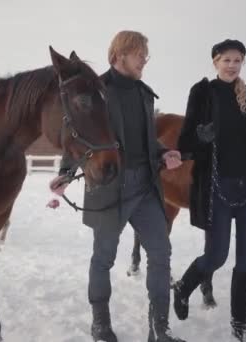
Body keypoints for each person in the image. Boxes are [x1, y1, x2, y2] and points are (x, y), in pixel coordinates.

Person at [49, 30, 185, 342]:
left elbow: (147, 142)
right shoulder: (97, 90)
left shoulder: (144, 93)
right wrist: (66, 175)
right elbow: (78, 132)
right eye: (139, 54)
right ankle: (100, 324)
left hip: (147, 186)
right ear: (120, 55)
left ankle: (159, 329)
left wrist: (165, 153)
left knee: (161, 253)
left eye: (145, 55)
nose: (144, 60)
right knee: (104, 258)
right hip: (110, 186)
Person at [172, 39, 246, 341]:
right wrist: (200, 137)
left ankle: (239, 324)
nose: (232, 65)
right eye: (226, 60)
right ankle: (183, 287)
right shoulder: (203, 93)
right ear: (215, 62)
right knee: (217, 256)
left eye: (238, 60)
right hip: (217, 188)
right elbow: (186, 142)